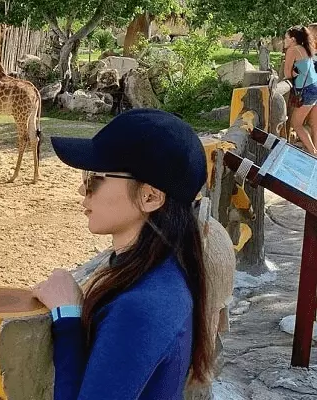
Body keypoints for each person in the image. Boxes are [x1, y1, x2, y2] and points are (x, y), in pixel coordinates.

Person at [33, 109, 213, 399]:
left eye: (95, 178)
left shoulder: (143, 307)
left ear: (150, 197)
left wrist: (66, 318)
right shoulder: (161, 272)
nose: (82, 188)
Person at [283, 25, 317, 155]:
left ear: (292, 39)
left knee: (296, 124)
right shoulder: (304, 48)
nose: (284, 40)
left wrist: (293, 72)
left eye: (286, 38)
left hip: (307, 90)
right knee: (312, 123)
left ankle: (313, 153)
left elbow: (287, 74)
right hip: (313, 87)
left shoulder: (292, 50)